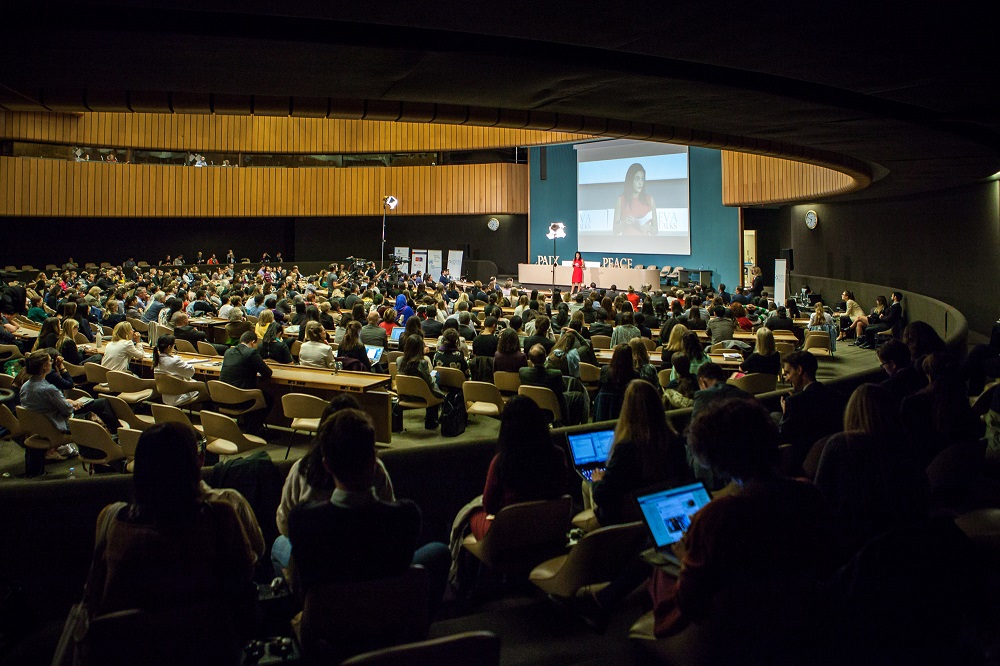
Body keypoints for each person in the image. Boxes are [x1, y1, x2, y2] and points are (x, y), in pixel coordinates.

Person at [649, 399, 842, 654]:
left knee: (659, 570)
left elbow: (690, 600)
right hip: (807, 627)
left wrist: (686, 558)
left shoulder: (716, 516)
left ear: (714, 457)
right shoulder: (808, 493)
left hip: (740, 635)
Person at [84, 423, 257, 660]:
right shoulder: (221, 514)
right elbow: (247, 573)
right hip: (207, 652)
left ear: (140, 467)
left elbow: (95, 594)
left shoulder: (109, 518)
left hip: (126, 654)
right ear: (199, 461)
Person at [272, 395, 395, 576]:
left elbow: (285, 525)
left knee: (278, 544)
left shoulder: (301, 473)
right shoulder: (406, 513)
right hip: (374, 567)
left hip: (317, 572)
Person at [589, 380, 690, 527]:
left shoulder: (625, 448)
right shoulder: (676, 441)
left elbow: (602, 495)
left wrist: (597, 481)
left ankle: (594, 538)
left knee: (588, 485)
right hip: (665, 508)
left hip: (626, 518)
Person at [465, 396, 567, 539]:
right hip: (548, 529)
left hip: (511, 534)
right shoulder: (558, 455)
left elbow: (490, 507)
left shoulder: (501, 462)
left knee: (470, 512)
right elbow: (561, 490)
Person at [779, 350, 846, 471]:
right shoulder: (838, 396)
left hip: (804, 465)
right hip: (837, 462)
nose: (787, 378)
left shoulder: (794, 403)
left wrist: (784, 414)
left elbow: (784, 438)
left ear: (799, 370)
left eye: (788, 373)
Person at [398, 333, 444, 429]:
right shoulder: (422, 363)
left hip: (405, 395)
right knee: (435, 377)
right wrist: (441, 394)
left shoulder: (399, 360)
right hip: (422, 397)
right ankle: (431, 421)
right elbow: (429, 383)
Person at [152, 334, 208, 406]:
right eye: (173, 345)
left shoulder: (156, 360)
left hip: (166, 396)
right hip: (179, 395)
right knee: (207, 388)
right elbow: (190, 372)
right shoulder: (174, 361)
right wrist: (181, 361)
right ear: (169, 347)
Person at [519, 343, 567, 421]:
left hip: (530, 407)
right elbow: (564, 389)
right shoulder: (556, 374)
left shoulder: (522, 372)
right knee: (577, 396)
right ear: (545, 358)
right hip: (552, 410)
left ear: (530, 359)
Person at [613, 163, 657, 236]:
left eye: (642, 179)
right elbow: (615, 230)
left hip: (645, 245)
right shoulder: (621, 200)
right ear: (630, 180)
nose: (640, 183)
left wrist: (649, 228)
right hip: (627, 245)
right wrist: (624, 223)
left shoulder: (650, 200)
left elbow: (655, 230)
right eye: (637, 179)